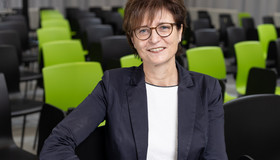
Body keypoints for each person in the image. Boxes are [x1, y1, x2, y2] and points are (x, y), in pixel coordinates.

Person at [40, 0, 228, 159]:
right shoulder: (113, 85)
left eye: (164, 27)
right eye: (143, 31)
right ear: (133, 39)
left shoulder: (208, 89)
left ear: (180, 32)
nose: (154, 39)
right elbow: (56, 143)